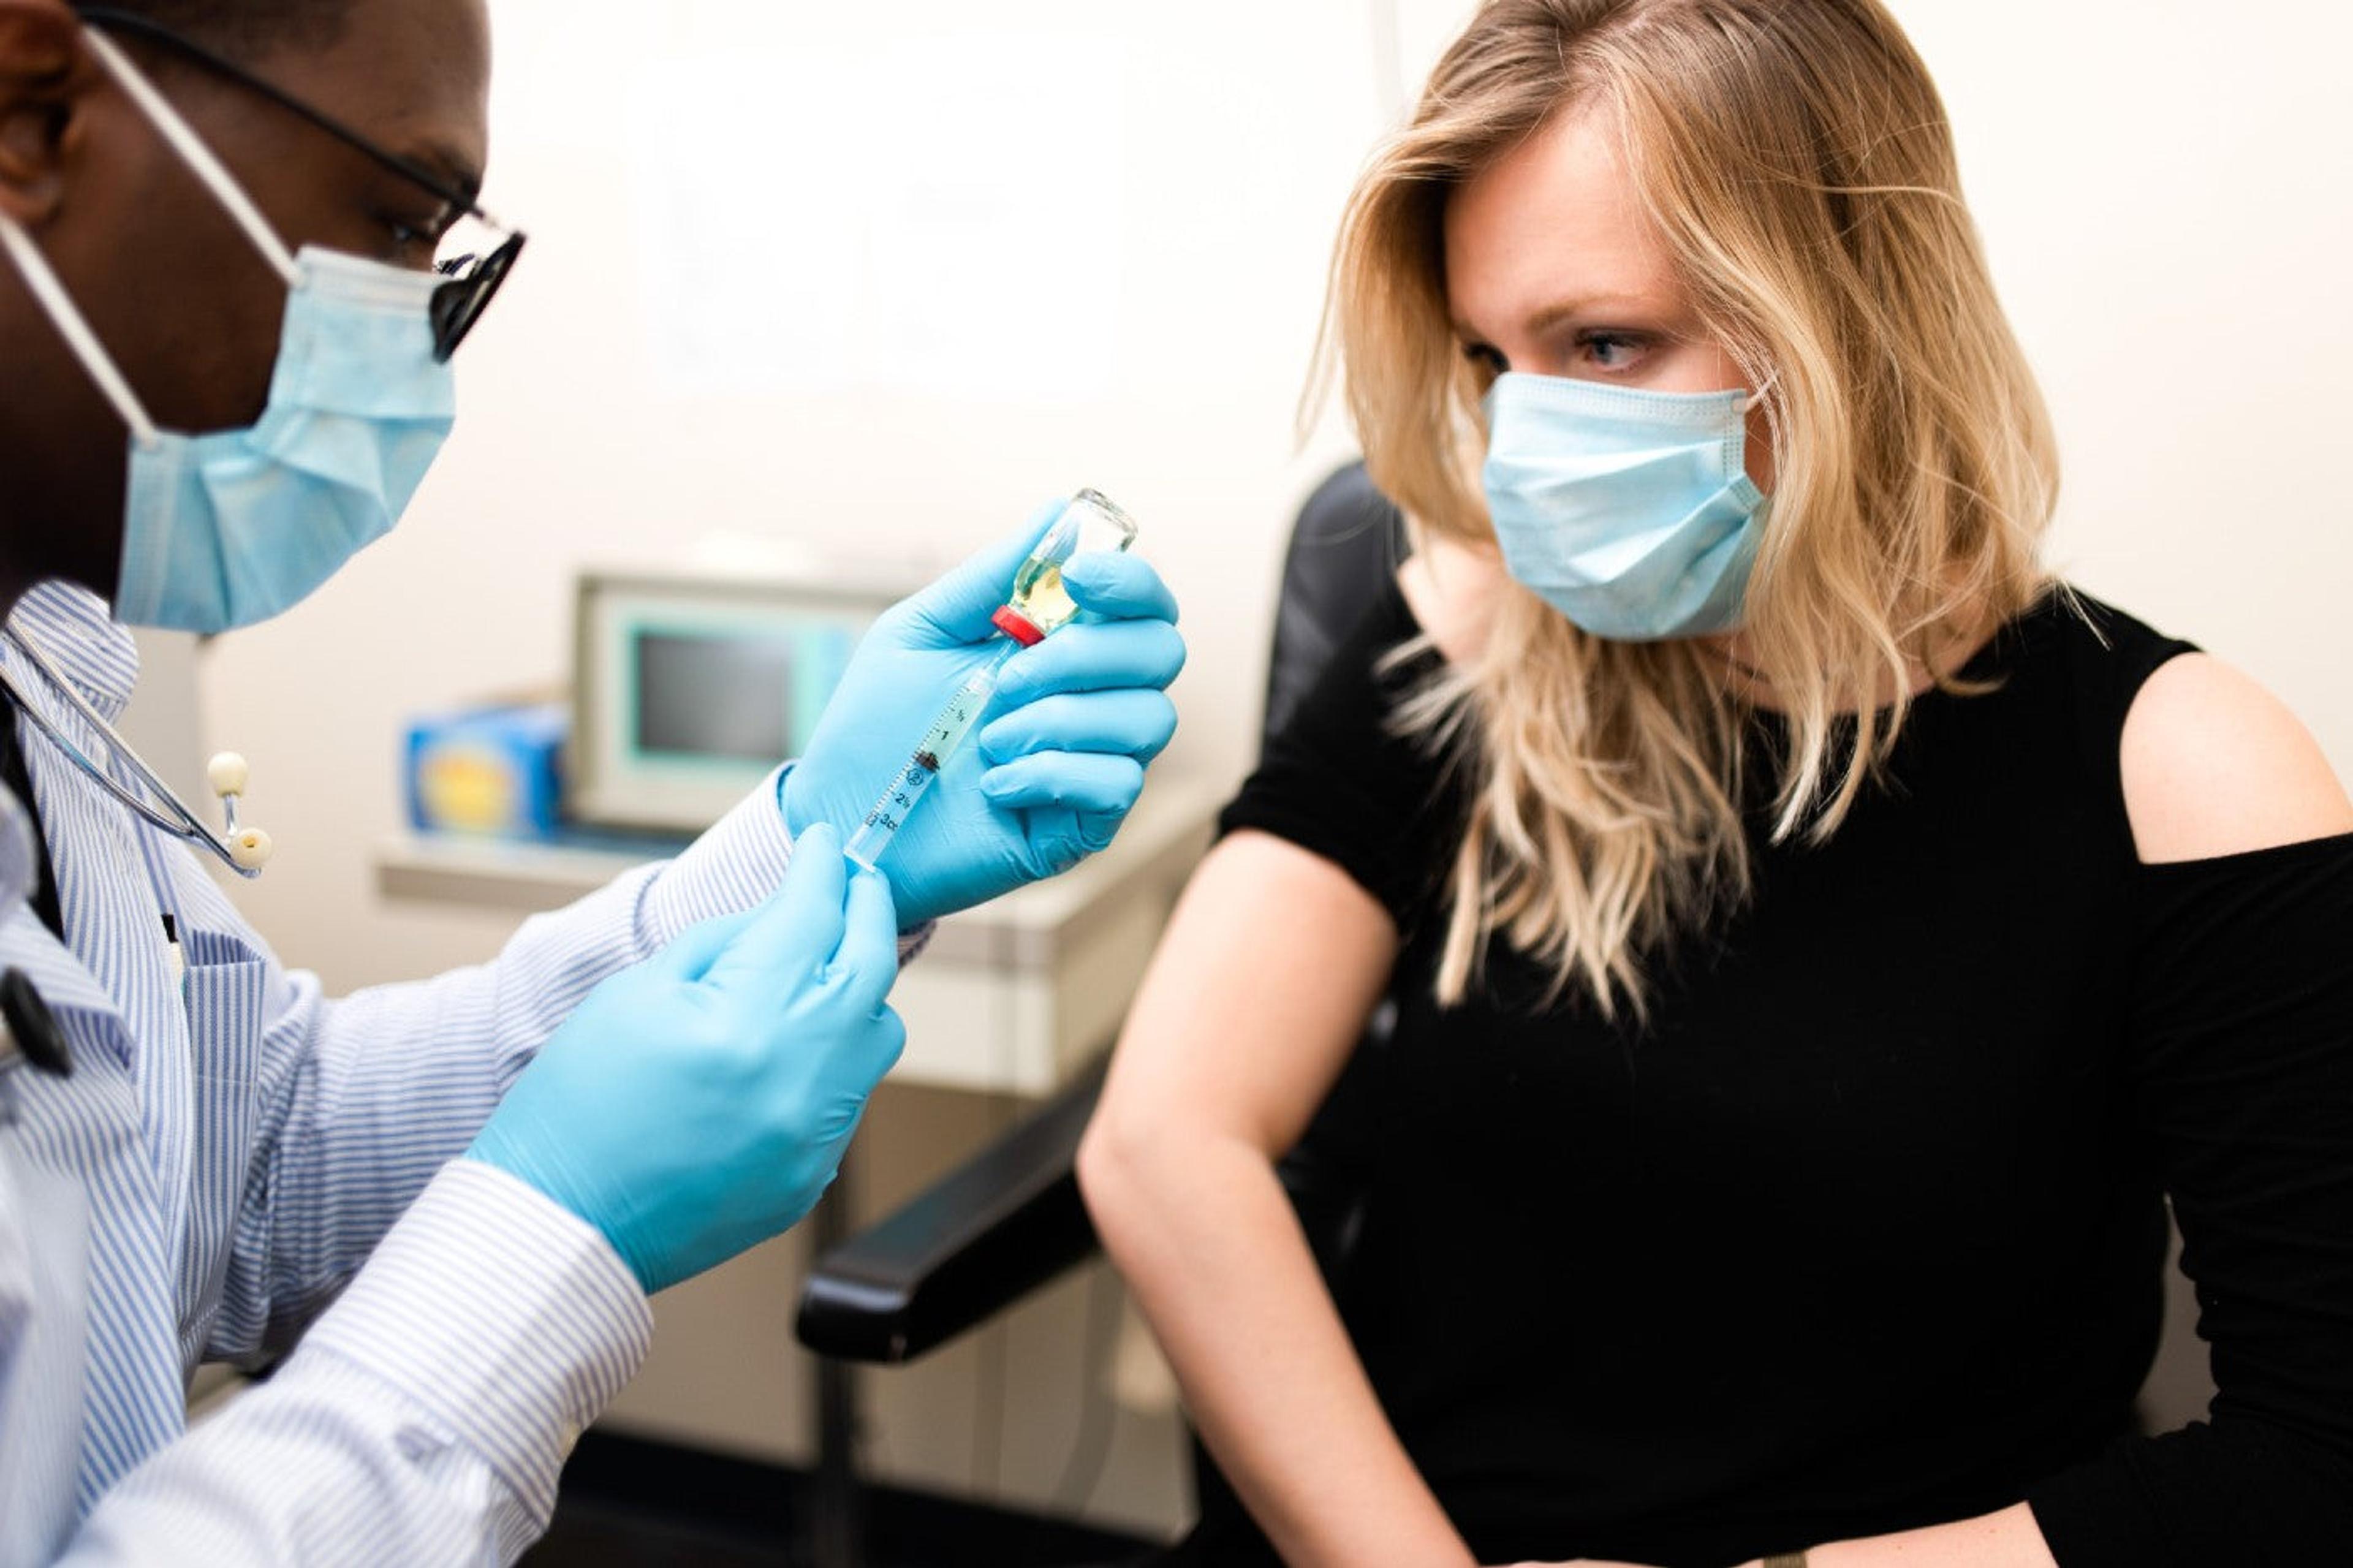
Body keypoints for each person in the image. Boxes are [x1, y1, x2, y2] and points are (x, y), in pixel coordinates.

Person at [1077, 2, 2353, 1566]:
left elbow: (2315, 1461)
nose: (1524, 441)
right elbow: (1168, 1133)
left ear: (1852, 308)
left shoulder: (2189, 770)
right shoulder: (1472, 630)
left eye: (1603, 342)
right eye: (1497, 356)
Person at [0, 0, 1184, 1560]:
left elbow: (251, 1147)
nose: (412, 331)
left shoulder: (50, 677)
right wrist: (553, 1227)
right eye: (396, 215)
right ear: (31, 112)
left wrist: (826, 843)